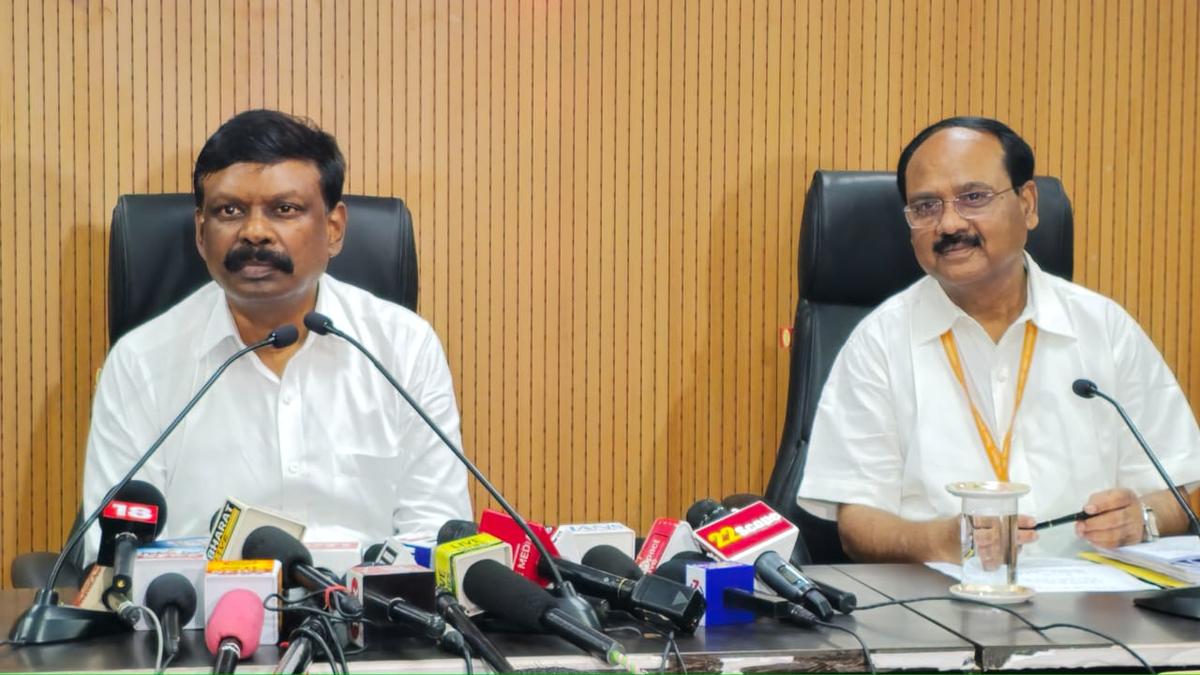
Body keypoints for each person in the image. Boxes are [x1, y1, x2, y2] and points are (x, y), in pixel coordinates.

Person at [797, 116, 1200, 561]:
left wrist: (1141, 519)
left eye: (973, 197)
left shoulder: (1103, 327)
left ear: (1027, 204)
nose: (949, 224)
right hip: (937, 597)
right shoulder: (879, 342)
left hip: (1094, 594)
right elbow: (857, 524)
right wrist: (939, 542)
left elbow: (1179, 493)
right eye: (926, 207)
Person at [81, 109, 471, 561]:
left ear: (334, 228)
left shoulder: (403, 347)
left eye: (284, 210)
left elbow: (437, 533)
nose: (255, 232)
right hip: (200, 604)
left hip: (371, 604)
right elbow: (115, 552)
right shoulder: (142, 361)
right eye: (229, 211)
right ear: (201, 233)